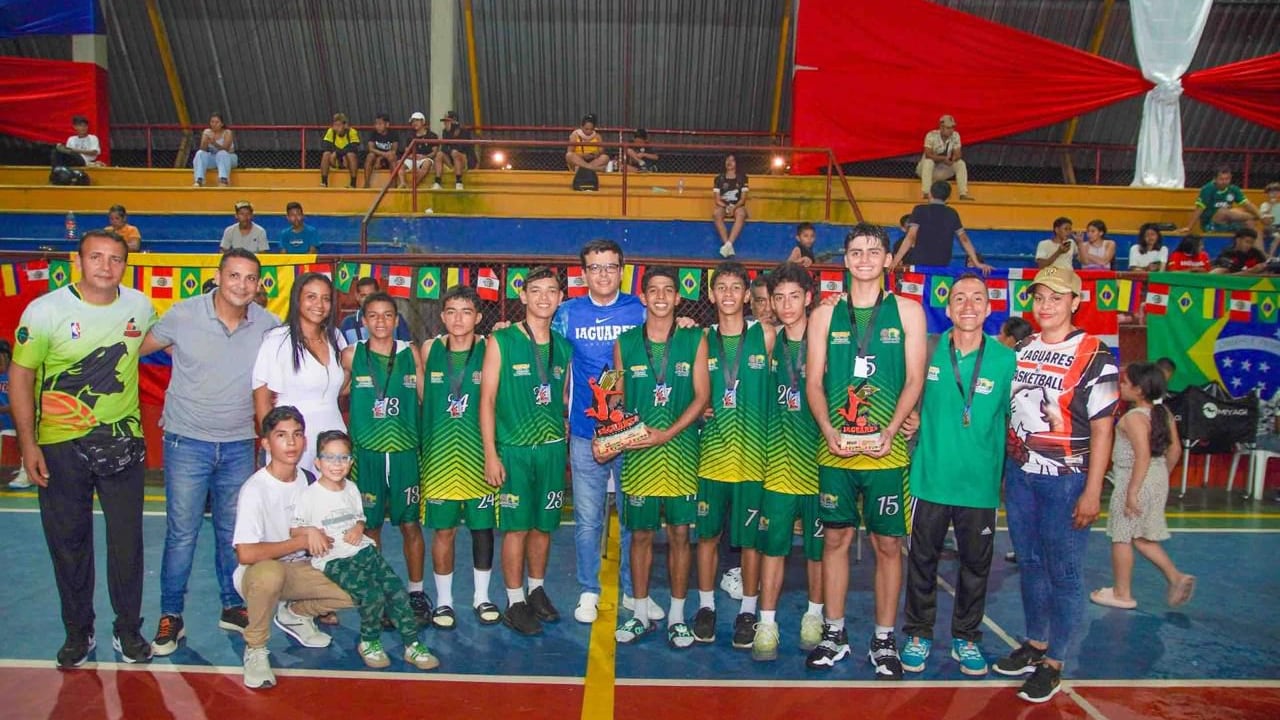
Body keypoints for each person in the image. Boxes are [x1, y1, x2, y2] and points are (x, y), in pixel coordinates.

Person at [9, 229, 157, 666]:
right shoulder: (44, 311)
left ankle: (128, 631)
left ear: (125, 266)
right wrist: (28, 445)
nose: (106, 266)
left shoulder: (140, 306)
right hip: (59, 447)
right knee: (69, 543)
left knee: (127, 544)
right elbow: (21, 378)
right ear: (79, 261)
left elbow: (150, 345)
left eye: (115, 259)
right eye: (96, 257)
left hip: (123, 444)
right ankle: (78, 632)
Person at [139, 249, 280, 656]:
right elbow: (138, 347)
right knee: (181, 534)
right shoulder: (183, 314)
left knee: (231, 534)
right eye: (234, 276)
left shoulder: (268, 326)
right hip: (186, 442)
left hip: (239, 444)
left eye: (250, 278)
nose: (242, 285)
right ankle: (171, 616)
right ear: (219, 277)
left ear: (259, 285)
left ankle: (232, 605)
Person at [804, 223, 927, 678]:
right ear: (845, 258)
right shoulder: (824, 315)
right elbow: (813, 381)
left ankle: (883, 639)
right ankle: (834, 633)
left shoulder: (909, 312)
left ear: (887, 259)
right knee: (834, 539)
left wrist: (893, 431)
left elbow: (915, 380)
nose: (864, 259)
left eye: (874, 251)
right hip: (835, 449)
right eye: (856, 252)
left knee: (888, 545)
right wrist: (826, 427)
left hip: (886, 452)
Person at [995, 265, 1119, 704]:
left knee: (1063, 572)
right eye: (1039, 297)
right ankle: (1036, 643)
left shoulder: (1095, 355)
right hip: (1021, 475)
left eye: (1055, 298)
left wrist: (1092, 490)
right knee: (1029, 563)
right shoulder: (1023, 348)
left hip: (1067, 479)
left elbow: (1104, 430)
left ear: (1074, 302)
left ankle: (1055, 663)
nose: (1045, 306)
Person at [900, 274, 1016, 677]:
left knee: (976, 567)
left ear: (989, 308)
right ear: (947, 309)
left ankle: (966, 639)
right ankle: (918, 633)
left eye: (977, 299)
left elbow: (1017, 419)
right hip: (929, 478)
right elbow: (904, 395)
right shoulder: (927, 351)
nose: (968, 305)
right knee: (922, 563)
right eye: (959, 298)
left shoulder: (1006, 360)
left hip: (980, 486)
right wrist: (909, 417)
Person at [602, 266, 709, 648]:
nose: (661, 296)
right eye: (653, 290)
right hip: (639, 457)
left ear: (678, 297)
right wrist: (612, 428)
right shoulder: (625, 342)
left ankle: (678, 617)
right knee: (641, 536)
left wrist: (669, 432)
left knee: (681, 535)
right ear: (643, 298)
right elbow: (614, 395)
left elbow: (702, 396)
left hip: (681, 453)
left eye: (668, 290)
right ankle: (640, 612)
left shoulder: (695, 340)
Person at [550, 240, 652, 625]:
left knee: (631, 516)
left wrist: (687, 321)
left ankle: (631, 589)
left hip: (631, 431)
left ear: (622, 270)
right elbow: (543, 348)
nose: (603, 274)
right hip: (584, 431)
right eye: (595, 267)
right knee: (589, 519)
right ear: (584, 273)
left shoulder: (641, 309)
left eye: (610, 266)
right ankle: (589, 590)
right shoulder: (566, 313)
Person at [290, 430, 440, 670]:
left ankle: (412, 645)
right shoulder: (309, 496)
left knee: (396, 590)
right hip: (335, 559)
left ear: (351, 462)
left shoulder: (351, 488)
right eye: (329, 457)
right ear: (317, 462)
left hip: (363, 551)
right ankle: (369, 641)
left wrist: (359, 528)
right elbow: (294, 531)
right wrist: (311, 532)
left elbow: (359, 518)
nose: (336, 464)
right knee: (371, 595)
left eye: (343, 458)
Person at [232, 406, 354, 689]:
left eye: (297, 434)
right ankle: (256, 648)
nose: (291, 442)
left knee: (363, 584)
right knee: (270, 574)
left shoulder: (311, 481)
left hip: (302, 568)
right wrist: (300, 541)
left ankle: (296, 613)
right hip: (258, 573)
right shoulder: (255, 489)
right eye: (281, 435)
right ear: (265, 443)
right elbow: (246, 553)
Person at [480, 267, 573, 635]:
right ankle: (514, 599)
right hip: (514, 449)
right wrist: (491, 453)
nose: (544, 298)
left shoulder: (564, 347)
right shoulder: (501, 341)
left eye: (551, 291)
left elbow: (562, 397)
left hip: (550, 451)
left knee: (544, 526)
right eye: (536, 291)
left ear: (560, 299)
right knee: (516, 528)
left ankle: (536, 590)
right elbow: (485, 401)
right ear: (523, 296)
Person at [691, 261, 776, 649]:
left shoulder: (767, 335)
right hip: (711, 459)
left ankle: (747, 611)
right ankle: (706, 606)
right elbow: (692, 393)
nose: (727, 294)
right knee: (707, 537)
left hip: (755, 461)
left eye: (735, 287)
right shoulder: (700, 340)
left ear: (747, 296)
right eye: (720, 287)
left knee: (751, 544)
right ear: (710, 295)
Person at [338, 291, 431, 624]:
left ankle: (417, 593)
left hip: (406, 452)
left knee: (410, 524)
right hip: (368, 454)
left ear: (396, 320)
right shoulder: (350, 355)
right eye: (373, 315)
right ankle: (376, 593)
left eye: (387, 315)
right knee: (371, 527)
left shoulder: (411, 353)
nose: (380, 321)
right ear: (363, 321)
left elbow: (427, 397)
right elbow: (333, 392)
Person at [751, 263, 826, 662]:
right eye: (778, 297)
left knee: (818, 550)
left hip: (820, 461)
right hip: (778, 463)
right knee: (773, 547)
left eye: (794, 296)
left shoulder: (828, 341)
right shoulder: (767, 340)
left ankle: (815, 615)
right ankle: (767, 621)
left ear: (808, 298)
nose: (785, 304)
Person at [420, 286, 501, 628]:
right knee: (444, 532)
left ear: (479, 318)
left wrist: (493, 454)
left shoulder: (491, 349)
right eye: (451, 311)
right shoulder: (429, 350)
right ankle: (444, 601)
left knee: (483, 530)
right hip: (439, 459)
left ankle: (482, 597)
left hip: (480, 455)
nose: (458, 318)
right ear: (442, 316)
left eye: (466, 311)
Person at [1090, 363, 1195, 612]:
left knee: (1122, 536)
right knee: (1142, 537)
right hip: (1157, 476)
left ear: (1139, 390)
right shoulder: (1163, 413)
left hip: (1133, 478)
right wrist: (1160, 479)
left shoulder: (1133, 418)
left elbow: (1142, 456)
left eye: (1125, 383)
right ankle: (1175, 577)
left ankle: (1122, 592)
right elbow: (1175, 450)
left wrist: (1134, 491)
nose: (1121, 386)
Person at [252, 272, 348, 475]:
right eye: (311, 297)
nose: (319, 305)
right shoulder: (277, 340)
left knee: (328, 504)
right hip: (292, 442)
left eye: (326, 298)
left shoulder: (336, 338)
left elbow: (339, 387)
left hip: (333, 441)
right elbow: (262, 398)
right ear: (297, 300)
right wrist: (273, 441)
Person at [890, 181, 990, 272]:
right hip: (942, 263)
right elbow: (964, 239)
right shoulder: (952, 213)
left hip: (920, 263)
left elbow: (910, 237)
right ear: (947, 198)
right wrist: (977, 263)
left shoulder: (919, 210)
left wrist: (895, 261)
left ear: (930, 194)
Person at [1178, 165, 1264, 236]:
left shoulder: (1233, 189)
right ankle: (1258, 217)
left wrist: (1260, 215)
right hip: (1211, 224)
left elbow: (1247, 204)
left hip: (1228, 223)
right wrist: (1189, 227)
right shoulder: (1207, 189)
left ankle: (1264, 255)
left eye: (1227, 179)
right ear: (1215, 179)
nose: (1224, 182)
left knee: (1250, 223)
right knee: (1224, 211)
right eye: (1221, 179)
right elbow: (1199, 209)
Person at [916, 115, 972, 201]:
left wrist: (952, 159)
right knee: (928, 162)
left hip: (943, 169)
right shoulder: (931, 135)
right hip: (926, 170)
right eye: (948, 128)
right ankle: (926, 193)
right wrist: (943, 159)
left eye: (953, 127)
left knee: (960, 163)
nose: (951, 130)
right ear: (941, 127)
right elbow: (928, 154)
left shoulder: (955, 135)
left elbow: (958, 154)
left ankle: (963, 194)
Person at [339, 277, 412, 344]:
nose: (367, 299)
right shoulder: (348, 323)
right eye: (363, 295)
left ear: (378, 293)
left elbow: (407, 347)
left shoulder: (394, 318)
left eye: (371, 295)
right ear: (357, 296)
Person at [1, 340, 30, 489]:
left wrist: (6, 409)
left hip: (16, 421)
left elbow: (24, 402)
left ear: (7, 356)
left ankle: (26, 472)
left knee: (23, 428)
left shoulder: (16, 374)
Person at [713, 154, 749, 258]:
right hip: (724, 205)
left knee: (741, 213)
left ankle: (729, 244)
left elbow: (743, 199)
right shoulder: (718, 179)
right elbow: (717, 199)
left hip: (737, 206)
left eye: (732, 160)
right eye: (727, 160)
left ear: (737, 163)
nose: (729, 162)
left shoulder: (743, 178)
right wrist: (726, 207)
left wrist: (734, 207)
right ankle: (727, 245)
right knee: (716, 213)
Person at [192, 112, 238, 187]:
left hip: (229, 157)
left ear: (222, 124)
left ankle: (223, 180)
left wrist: (214, 143)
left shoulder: (227, 132)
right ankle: (199, 179)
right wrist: (205, 141)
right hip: (214, 158)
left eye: (217, 122)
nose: (214, 124)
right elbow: (203, 149)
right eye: (212, 122)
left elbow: (226, 149)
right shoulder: (207, 132)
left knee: (222, 153)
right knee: (200, 153)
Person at [320, 113, 361, 188]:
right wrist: (336, 154)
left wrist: (337, 153)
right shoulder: (331, 131)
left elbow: (354, 146)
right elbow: (326, 145)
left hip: (347, 161)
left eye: (339, 125)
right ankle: (324, 182)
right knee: (326, 154)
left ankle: (353, 183)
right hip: (335, 160)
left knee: (351, 154)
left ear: (345, 125)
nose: (336, 128)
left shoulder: (352, 132)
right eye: (335, 125)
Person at [433, 111, 471, 190]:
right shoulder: (445, 132)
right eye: (444, 121)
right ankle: (437, 182)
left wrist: (450, 148)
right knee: (439, 154)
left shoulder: (463, 130)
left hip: (463, 159)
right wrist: (450, 148)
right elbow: (443, 148)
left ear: (454, 121)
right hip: (451, 160)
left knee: (454, 152)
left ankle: (459, 182)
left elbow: (462, 148)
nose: (445, 123)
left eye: (447, 121)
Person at [401, 112, 438, 188]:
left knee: (427, 163)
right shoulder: (410, 136)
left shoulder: (432, 135)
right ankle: (403, 183)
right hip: (412, 159)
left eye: (417, 120)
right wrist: (411, 156)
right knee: (399, 164)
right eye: (413, 121)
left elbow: (434, 152)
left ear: (423, 122)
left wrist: (424, 156)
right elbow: (406, 151)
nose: (414, 123)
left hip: (425, 159)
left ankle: (413, 185)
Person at [363, 113, 399, 189]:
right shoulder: (374, 134)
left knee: (393, 157)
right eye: (376, 124)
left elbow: (394, 150)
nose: (377, 126)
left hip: (388, 157)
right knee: (370, 156)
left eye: (380, 124)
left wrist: (380, 158)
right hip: (378, 156)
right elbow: (371, 148)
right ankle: (366, 183)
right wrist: (381, 155)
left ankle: (394, 184)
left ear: (387, 124)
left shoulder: (393, 134)